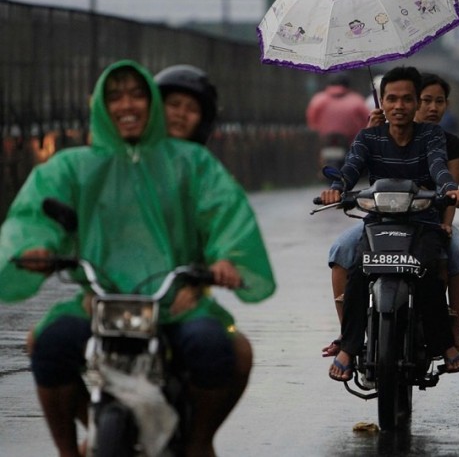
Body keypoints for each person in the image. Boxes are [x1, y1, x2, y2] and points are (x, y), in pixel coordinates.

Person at [0, 60, 276, 457]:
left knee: (218, 349)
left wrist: (226, 259)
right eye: (114, 96)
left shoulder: (193, 164)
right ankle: (69, 448)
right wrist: (38, 246)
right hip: (98, 302)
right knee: (48, 345)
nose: (126, 105)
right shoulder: (74, 165)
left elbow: (225, 216)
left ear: (149, 104)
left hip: (176, 303)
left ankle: (198, 442)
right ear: (99, 105)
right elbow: (37, 215)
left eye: (135, 95)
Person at [321, 66, 459, 382]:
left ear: (416, 104)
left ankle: (446, 341)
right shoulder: (368, 136)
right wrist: (337, 187)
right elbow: (350, 168)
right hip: (378, 221)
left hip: (423, 222)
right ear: (383, 102)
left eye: (407, 100)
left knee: (430, 271)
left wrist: (449, 191)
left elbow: (439, 169)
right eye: (392, 99)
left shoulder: (432, 136)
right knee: (359, 270)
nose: (399, 106)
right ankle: (349, 344)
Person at [414, 73, 459, 361]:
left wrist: (446, 224)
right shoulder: (387, 135)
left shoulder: (452, 144)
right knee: (342, 251)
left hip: (432, 221)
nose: (432, 108)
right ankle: (347, 337)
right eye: (426, 101)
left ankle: (454, 331)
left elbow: (450, 189)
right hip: (386, 222)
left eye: (439, 102)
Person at [306, 73, 370, 169]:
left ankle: (321, 168)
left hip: (325, 138)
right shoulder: (357, 100)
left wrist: (316, 128)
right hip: (350, 139)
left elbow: (311, 118)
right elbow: (366, 119)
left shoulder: (318, 99)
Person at [155, 64, 218, 145]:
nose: (181, 114)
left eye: (192, 109)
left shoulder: (203, 157)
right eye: (174, 105)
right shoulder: (136, 155)